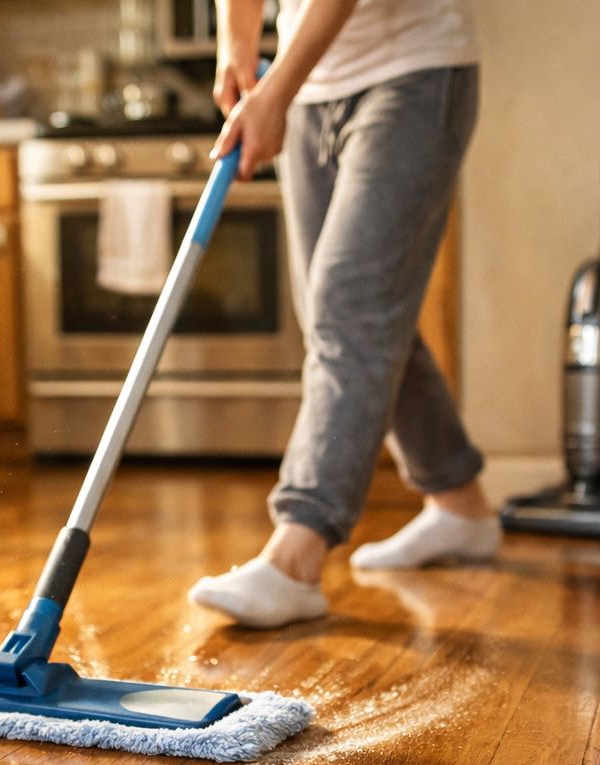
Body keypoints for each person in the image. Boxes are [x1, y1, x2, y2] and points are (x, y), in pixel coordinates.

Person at [187, 0, 501, 630]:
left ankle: (297, 555)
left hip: (412, 70)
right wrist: (238, 49)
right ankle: (460, 505)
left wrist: (276, 88)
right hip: (311, 88)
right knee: (356, 313)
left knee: (351, 308)